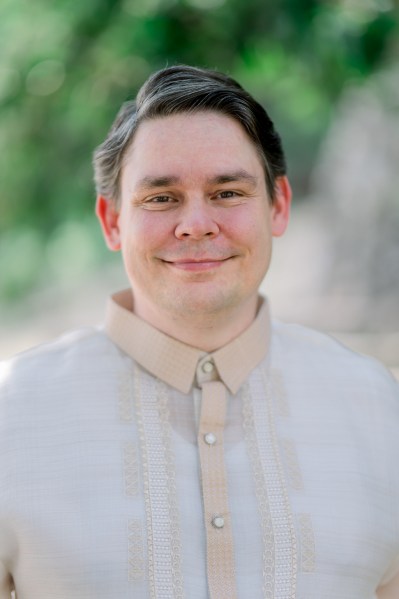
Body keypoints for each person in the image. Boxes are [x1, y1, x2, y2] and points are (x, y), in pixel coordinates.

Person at [0, 65, 398, 599]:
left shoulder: (380, 411)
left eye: (228, 192)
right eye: (161, 198)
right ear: (112, 221)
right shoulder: (14, 413)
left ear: (278, 204)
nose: (196, 223)